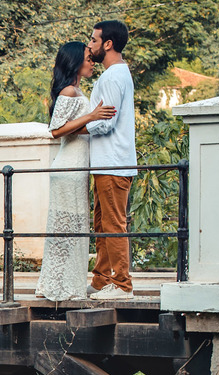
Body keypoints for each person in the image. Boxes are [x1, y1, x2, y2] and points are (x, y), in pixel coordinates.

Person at [36, 42, 115, 302]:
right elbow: (56, 129)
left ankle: (68, 286)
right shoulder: (69, 91)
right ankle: (59, 287)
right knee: (67, 230)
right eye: (88, 59)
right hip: (68, 168)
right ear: (74, 62)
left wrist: (92, 121)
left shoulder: (78, 90)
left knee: (75, 229)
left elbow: (74, 129)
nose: (92, 62)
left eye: (92, 59)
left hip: (77, 168)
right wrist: (92, 117)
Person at [85, 19, 137, 300]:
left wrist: (81, 124)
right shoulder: (116, 75)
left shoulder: (113, 77)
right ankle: (102, 279)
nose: (89, 45)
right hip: (107, 162)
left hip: (113, 162)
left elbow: (106, 121)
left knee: (114, 224)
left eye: (93, 40)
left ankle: (122, 284)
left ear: (108, 44)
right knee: (102, 224)